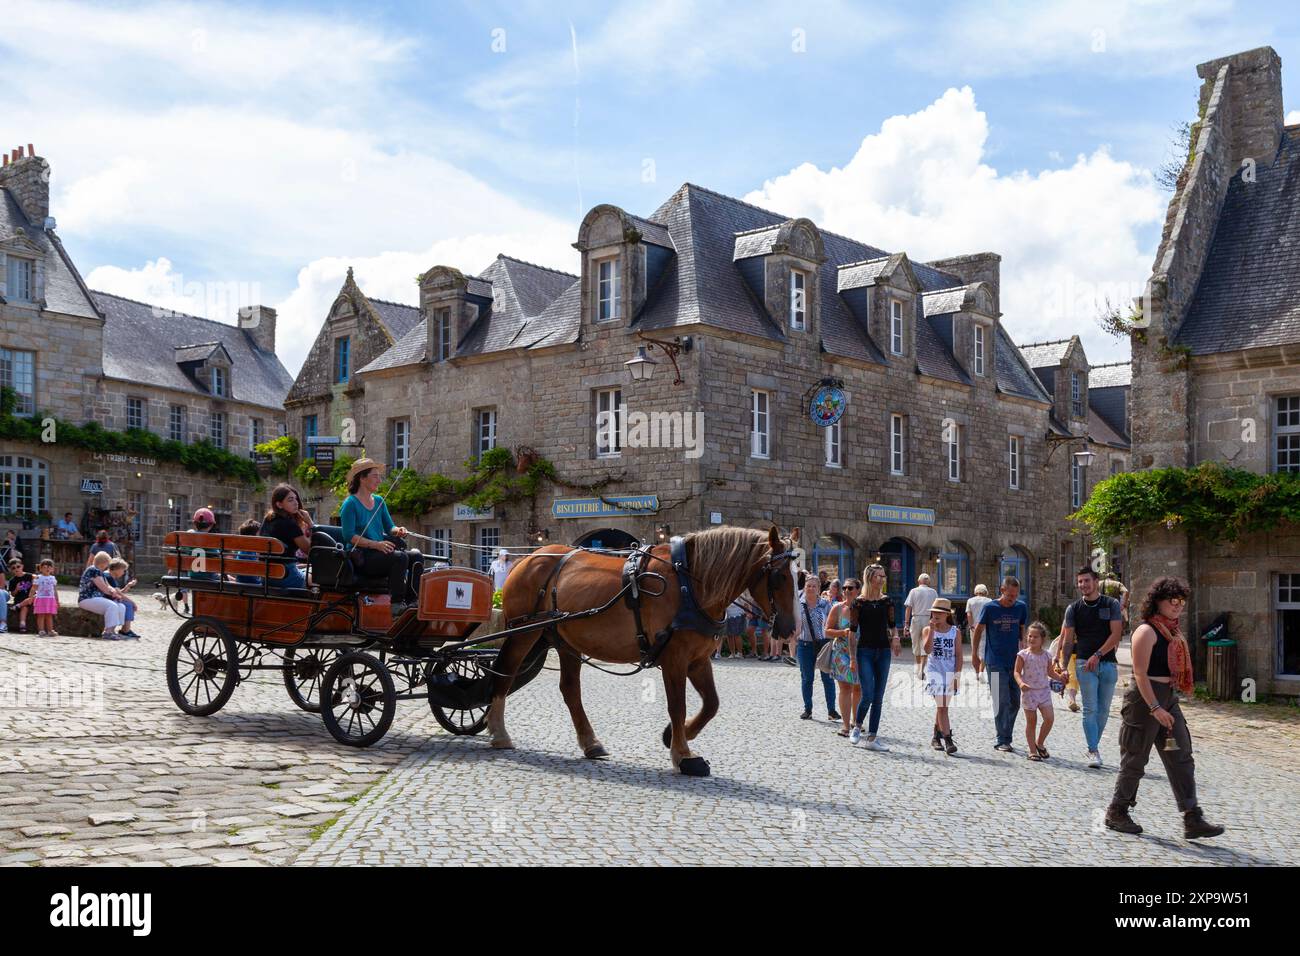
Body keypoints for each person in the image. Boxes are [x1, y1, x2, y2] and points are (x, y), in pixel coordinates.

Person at [1105, 577, 1225, 840]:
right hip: (1144, 700)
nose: (1178, 605)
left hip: (1168, 697)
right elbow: (1140, 674)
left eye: (1181, 601)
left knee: (1181, 755)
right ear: (1158, 601)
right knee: (1135, 758)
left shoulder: (1174, 632)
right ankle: (1117, 811)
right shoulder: (1146, 631)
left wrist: (1164, 704)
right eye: (1173, 600)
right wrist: (1155, 707)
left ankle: (1192, 817)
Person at [1058, 565, 1124, 768]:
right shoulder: (1073, 609)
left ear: (1096, 582)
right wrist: (1063, 666)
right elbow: (1068, 640)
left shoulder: (1111, 604)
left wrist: (1099, 654)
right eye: (1080, 582)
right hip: (1084, 663)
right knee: (1090, 709)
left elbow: (1116, 634)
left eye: (1087, 580)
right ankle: (1093, 750)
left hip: (1108, 663)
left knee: (1103, 710)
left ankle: (1093, 745)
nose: (1083, 585)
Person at [339, 458, 419, 618]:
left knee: (416, 556)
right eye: (375, 476)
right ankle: (396, 605)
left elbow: (390, 527)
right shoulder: (350, 504)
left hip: (379, 553)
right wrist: (376, 545)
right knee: (400, 558)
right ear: (362, 478)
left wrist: (398, 530)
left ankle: (413, 601)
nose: (379, 480)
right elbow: (349, 536)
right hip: (362, 557)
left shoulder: (379, 501)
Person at [972, 575, 1028, 752]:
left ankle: (1006, 735)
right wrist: (974, 654)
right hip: (994, 660)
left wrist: (1026, 651)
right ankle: (1002, 739)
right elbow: (978, 630)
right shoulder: (990, 608)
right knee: (1001, 700)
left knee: (1015, 702)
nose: (1013, 599)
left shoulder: (1021, 607)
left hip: (1015, 661)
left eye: (1016, 595)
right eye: (1010, 595)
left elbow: (1022, 630)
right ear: (1002, 590)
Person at [853, 563, 900, 751]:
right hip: (864, 651)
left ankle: (872, 738)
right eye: (878, 576)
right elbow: (852, 632)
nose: (882, 579)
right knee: (868, 695)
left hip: (883, 652)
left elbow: (893, 625)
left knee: (878, 697)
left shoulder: (887, 601)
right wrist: (852, 657)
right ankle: (857, 726)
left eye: (883, 576)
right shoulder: (858, 603)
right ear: (869, 578)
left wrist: (896, 638)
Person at [1016, 622, 1066, 761]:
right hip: (1029, 693)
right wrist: (1021, 683)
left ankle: (1040, 743)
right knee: (1031, 722)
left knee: (1049, 719)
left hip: (1044, 692)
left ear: (1042, 639)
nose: (1031, 639)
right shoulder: (1022, 655)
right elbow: (1016, 672)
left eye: (1035, 637)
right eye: (1030, 636)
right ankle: (1032, 750)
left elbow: (1050, 672)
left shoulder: (1047, 656)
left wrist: (1060, 678)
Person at [796, 573, 837, 721]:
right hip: (804, 645)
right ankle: (808, 709)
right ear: (804, 587)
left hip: (823, 644)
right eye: (808, 586)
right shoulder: (798, 604)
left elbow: (832, 623)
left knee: (828, 678)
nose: (811, 588)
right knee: (807, 678)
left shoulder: (825, 604)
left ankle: (831, 710)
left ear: (819, 588)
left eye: (814, 586)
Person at [923, 598, 961, 755]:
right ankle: (948, 740)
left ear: (947, 615)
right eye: (934, 612)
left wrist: (957, 677)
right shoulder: (927, 630)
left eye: (939, 612)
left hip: (949, 673)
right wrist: (932, 631)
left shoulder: (955, 632)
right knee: (942, 707)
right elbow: (927, 650)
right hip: (934, 673)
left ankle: (936, 737)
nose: (936, 615)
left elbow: (959, 656)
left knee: (942, 707)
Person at [258, 484, 313, 589]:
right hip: (287, 577)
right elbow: (310, 551)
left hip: (266, 577)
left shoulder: (268, 519)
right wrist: (310, 523)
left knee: (308, 570)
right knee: (321, 577)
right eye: (290, 500)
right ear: (279, 504)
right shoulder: (289, 524)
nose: (296, 503)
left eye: (296, 499)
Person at [826, 578, 861, 740]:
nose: (847, 590)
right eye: (845, 588)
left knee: (858, 688)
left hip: (860, 652)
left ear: (858, 590)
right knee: (845, 688)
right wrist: (842, 632)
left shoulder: (863, 608)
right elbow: (827, 631)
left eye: (850, 588)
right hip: (841, 652)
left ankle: (856, 722)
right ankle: (846, 725)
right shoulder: (837, 608)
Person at [78, 551, 127, 640]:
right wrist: (114, 594)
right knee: (112, 606)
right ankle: (107, 633)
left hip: (96, 599)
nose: (108, 566)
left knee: (121, 606)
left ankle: (112, 631)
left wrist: (113, 592)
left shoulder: (100, 572)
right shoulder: (93, 570)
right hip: (87, 598)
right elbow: (103, 588)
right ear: (103, 563)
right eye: (107, 563)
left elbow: (108, 586)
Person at [904, 573, 938, 679]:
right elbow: (936, 608)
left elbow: (908, 608)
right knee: (925, 644)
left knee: (916, 643)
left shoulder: (913, 591)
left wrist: (906, 623)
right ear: (928, 582)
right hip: (928, 619)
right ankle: (922, 669)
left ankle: (918, 667)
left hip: (916, 618)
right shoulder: (933, 592)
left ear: (919, 581)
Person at [106, 558, 142, 640]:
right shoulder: (108, 576)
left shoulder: (111, 576)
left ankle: (126, 629)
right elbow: (119, 594)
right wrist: (133, 602)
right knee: (128, 604)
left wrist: (128, 586)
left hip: (110, 598)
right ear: (116, 569)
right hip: (107, 599)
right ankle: (125, 630)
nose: (123, 573)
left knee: (127, 604)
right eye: (123, 570)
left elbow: (119, 592)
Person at [966, 584, 992, 684]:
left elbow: (969, 614)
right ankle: (981, 671)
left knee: (975, 651)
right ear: (985, 592)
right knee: (984, 650)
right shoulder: (989, 601)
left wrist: (971, 626)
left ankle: (977, 674)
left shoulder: (970, 601)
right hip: (985, 627)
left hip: (974, 628)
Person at [31, 558, 60, 637]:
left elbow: (55, 590)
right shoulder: (38, 578)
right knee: (41, 615)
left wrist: (57, 600)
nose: (47, 569)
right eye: (45, 567)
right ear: (40, 568)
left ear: (52, 569)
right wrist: (30, 597)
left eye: (49, 567)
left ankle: (50, 630)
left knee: (49, 615)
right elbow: (34, 588)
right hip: (41, 599)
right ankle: (41, 630)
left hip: (50, 599)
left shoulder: (53, 578)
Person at [7, 557, 34, 633]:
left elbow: (38, 578)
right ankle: (22, 624)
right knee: (24, 607)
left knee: (35, 596)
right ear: (11, 570)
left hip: (30, 597)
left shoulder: (29, 576)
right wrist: (16, 589)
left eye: (18, 566)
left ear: (22, 566)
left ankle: (18, 606)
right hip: (20, 599)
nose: (16, 569)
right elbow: (13, 594)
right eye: (13, 568)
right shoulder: (12, 581)